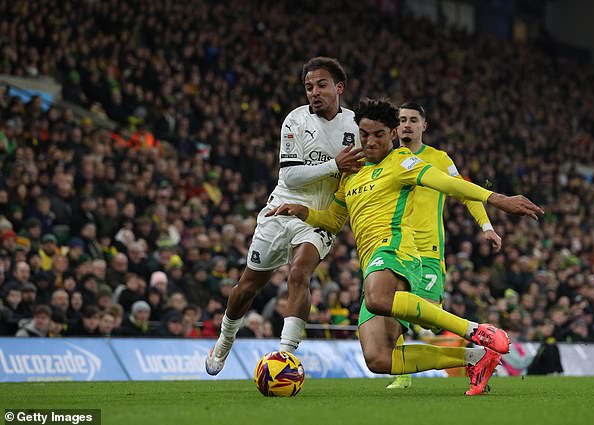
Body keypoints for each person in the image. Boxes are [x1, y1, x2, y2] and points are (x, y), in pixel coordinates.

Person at [267, 99, 543, 395]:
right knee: (378, 358)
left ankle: (476, 331)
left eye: (378, 135)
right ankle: (474, 358)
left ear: (393, 134)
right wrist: (301, 210)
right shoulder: (351, 173)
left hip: (396, 249)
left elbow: (447, 183)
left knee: (378, 299)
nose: (370, 141)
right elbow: (333, 220)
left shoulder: (401, 162)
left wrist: (496, 199)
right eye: (364, 134)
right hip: (371, 260)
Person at [206, 57, 364, 375]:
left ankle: (285, 356)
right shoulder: (295, 120)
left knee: (299, 274)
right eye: (308, 87)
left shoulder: (356, 127)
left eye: (321, 85)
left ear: (339, 87)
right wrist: (335, 165)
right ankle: (224, 341)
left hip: (318, 217)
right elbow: (290, 177)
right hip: (281, 209)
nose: (314, 92)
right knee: (248, 287)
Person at [387, 102, 502, 389]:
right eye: (402, 120)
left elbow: (466, 192)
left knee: (427, 316)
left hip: (428, 250)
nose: (407, 125)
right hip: (398, 247)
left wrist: (486, 226)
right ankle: (402, 375)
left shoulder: (439, 159)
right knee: (391, 308)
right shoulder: (389, 159)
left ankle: (462, 337)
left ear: (424, 126)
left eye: (413, 120)